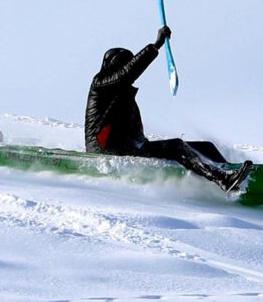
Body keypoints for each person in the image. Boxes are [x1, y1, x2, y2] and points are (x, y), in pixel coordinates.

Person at [84, 25, 253, 192]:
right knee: (177, 146)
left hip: (131, 148)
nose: (127, 68)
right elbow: (126, 73)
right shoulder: (99, 83)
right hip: (105, 150)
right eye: (124, 64)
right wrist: (156, 46)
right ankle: (222, 179)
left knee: (206, 147)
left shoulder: (124, 97)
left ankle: (229, 172)